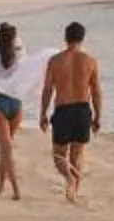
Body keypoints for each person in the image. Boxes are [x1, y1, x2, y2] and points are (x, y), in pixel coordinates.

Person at [38, 20, 103, 205]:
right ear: (82, 38)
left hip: (63, 110)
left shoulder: (55, 61)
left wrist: (42, 114)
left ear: (66, 38)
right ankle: (73, 192)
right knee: (77, 155)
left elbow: (48, 89)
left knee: (59, 155)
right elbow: (96, 91)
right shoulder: (90, 61)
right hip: (83, 110)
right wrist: (98, 116)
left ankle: (69, 179)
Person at [0, 22, 41, 200]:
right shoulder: (19, 58)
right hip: (14, 103)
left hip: (0, 102)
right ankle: (15, 189)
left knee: (5, 149)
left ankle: (0, 186)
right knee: (7, 148)